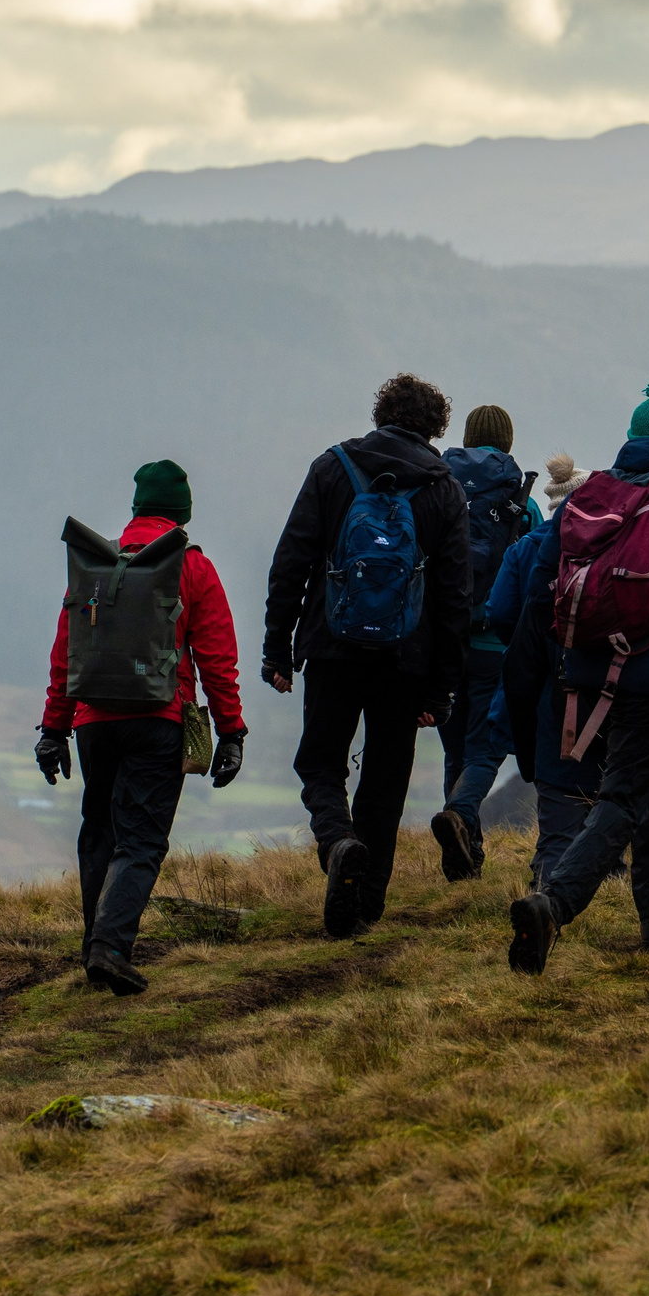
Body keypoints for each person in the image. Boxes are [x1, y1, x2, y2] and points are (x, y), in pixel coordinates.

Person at [507, 388, 649, 973]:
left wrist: (571, 652)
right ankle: (552, 906)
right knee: (627, 796)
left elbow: (539, 586)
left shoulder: (591, 496)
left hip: (584, 673)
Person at [263, 373, 472, 939]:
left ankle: (337, 844)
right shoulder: (445, 488)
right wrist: (442, 687)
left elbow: (292, 563)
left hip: (332, 646)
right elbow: (456, 597)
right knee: (385, 774)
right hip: (407, 659)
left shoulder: (332, 468)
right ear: (436, 426)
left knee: (321, 762)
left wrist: (277, 648)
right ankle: (365, 902)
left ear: (381, 414)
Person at [35, 460, 245, 996]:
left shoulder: (97, 566)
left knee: (100, 831)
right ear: (182, 515)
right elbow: (217, 657)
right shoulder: (192, 567)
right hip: (159, 720)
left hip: (93, 724)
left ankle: (94, 946)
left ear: (136, 509)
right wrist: (231, 731)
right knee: (142, 840)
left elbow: (67, 654)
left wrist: (54, 729)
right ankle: (109, 947)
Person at [431, 403, 543, 881]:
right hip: (496, 647)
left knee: (455, 748)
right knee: (487, 749)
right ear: (509, 443)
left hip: (444, 643)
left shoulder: (438, 489)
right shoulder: (523, 502)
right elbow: (538, 577)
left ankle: (463, 857)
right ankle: (460, 815)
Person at [491, 454, 588, 889]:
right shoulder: (611, 545)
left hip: (549, 684)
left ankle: (546, 883)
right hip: (608, 681)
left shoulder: (528, 548)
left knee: (557, 792)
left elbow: (501, 611)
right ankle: (598, 868)